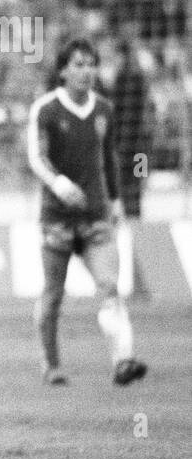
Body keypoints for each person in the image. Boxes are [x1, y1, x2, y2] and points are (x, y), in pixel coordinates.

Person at [27, 40, 147, 387]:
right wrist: (58, 183)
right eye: (78, 64)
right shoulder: (46, 110)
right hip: (57, 218)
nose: (86, 71)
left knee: (110, 286)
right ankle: (50, 364)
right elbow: (37, 157)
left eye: (91, 64)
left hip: (96, 215)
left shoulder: (104, 110)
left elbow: (110, 157)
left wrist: (117, 199)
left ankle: (123, 360)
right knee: (53, 293)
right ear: (63, 70)